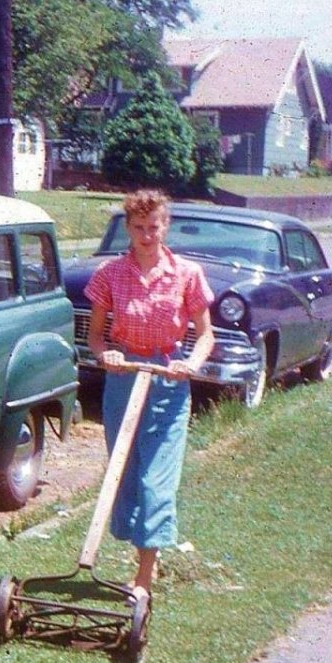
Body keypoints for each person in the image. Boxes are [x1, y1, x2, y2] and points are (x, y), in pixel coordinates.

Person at [85, 189, 215, 597]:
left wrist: (190, 364)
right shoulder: (109, 274)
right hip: (123, 378)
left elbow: (206, 335)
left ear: (165, 226)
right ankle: (138, 554)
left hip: (168, 380)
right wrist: (105, 354)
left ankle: (143, 577)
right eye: (138, 228)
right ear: (127, 227)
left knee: (156, 480)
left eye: (153, 227)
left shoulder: (187, 273)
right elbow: (94, 336)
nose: (146, 235)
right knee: (124, 473)